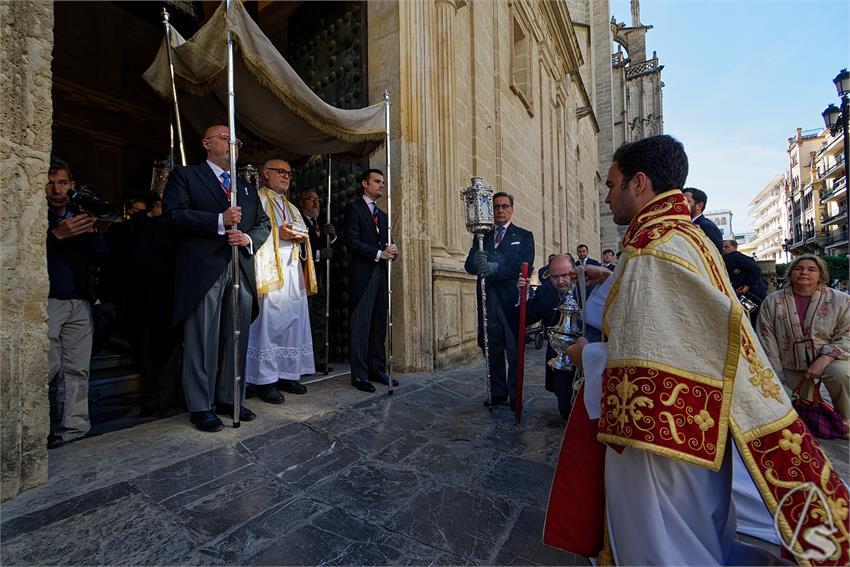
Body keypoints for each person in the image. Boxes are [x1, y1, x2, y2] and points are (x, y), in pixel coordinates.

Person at [543, 135, 849, 565]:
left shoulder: (655, 250)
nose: (608, 196)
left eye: (612, 185)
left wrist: (583, 356)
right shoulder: (682, 238)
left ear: (639, 183)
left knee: (664, 548)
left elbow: (652, 357)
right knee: (701, 536)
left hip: (659, 438)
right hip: (691, 428)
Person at [162, 124, 270, 432]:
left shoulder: (246, 186)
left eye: (236, 139)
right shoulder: (186, 176)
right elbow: (173, 215)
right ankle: (201, 404)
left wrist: (248, 239)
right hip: (203, 269)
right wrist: (218, 221)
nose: (233, 143)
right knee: (202, 338)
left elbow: (263, 223)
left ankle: (228, 396)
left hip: (240, 268)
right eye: (225, 137)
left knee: (236, 337)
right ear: (206, 143)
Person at [44, 161, 109, 448]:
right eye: (50, 183)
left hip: (79, 302)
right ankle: (37, 430)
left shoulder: (80, 214)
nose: (56, 189)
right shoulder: (36, 215)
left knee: (77, 369)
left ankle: (74, 428)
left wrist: (92, 231)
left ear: (72, 185)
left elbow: (102, 258)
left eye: (62, 182)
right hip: (47, 301)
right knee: (45, 368)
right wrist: (56, 236)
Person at [245, 159, 316, 403]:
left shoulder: (293, 207)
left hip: (292, 273)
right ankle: (265, 381)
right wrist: (280, 233)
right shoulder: (257, 200)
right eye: (281, 172)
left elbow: (303, 234)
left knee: (293, 323)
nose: (286, 177)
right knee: (269, 325)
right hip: (269, 273)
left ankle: (288, 373)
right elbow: (252, 232)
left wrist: (301, 237)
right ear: (265, 174)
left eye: (289, 173)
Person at [757, 254, 850, 428]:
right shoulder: (773, 301)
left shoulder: (841, 300)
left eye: (811, 269)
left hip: (831, 358)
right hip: (790, 362)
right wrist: (776, 373)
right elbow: (766, 337)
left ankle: (846, 420)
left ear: (820, 275)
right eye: (798, 268)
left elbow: (847, 334)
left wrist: (824, 360)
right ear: (791, 273)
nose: (804, 272)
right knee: (798, 410)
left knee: (842, 375)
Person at [464, 192, 534, 408]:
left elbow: (524, 266)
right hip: (487, 302)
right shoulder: (481, 236)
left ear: (512, 209)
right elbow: (469, 266)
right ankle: (497, 392)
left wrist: (496, 268)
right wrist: (477, 262)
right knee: (491, 347)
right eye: (496, 207)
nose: (500, 211)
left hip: (510, 301)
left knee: (513, 350)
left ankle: (514, 394)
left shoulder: (523, 235)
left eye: (504, 206)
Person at [522, 254, 602, 419]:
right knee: (566, 408)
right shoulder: (545, 290)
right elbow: (529, 317)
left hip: (586, 357)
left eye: (565, 275)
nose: (560, 281)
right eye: (555, 277)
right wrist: (524, 294)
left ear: (574, 271)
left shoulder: (592, 289)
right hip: (559, 359)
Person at [344, 169, 398, 392]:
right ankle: (359, 375)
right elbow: (351, 241)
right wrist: (378, 254)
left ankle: (377, 369)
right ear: (365, 183)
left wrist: (392, 250)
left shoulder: (383, 216)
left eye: (383, 182)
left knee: (378, 325)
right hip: (363, 274)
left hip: (381, 274)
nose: (381, 185)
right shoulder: (353, 209)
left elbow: (387, 244)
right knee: (361, 324)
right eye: (377, 181)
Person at [299, 189, 338, 373]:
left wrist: (334, 237)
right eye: (310, 199)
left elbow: (329, 247)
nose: (315, 203)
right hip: (305, 278)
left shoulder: (320, 224)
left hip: (321, 278)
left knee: (320, 319)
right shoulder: (299, 221)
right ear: (302, 202)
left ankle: (318, 358)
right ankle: (303, 360)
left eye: (317, 200)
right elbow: (299, 249)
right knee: (306, 318)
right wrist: (318, 254)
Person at [722, 238, 767, 323]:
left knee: (753, 318)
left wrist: (747, 287)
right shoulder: (729, 258)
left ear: (734, 247)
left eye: (727, 247)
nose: (724, 249)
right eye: (723, 247)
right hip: (747, 294)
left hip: (751, 294)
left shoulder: (735, 256)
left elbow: (756, 269)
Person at [682, 187, 723, 251]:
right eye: (681, 201)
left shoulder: (705, 226)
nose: (682, 205)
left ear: (699, 206)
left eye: (687, 201)